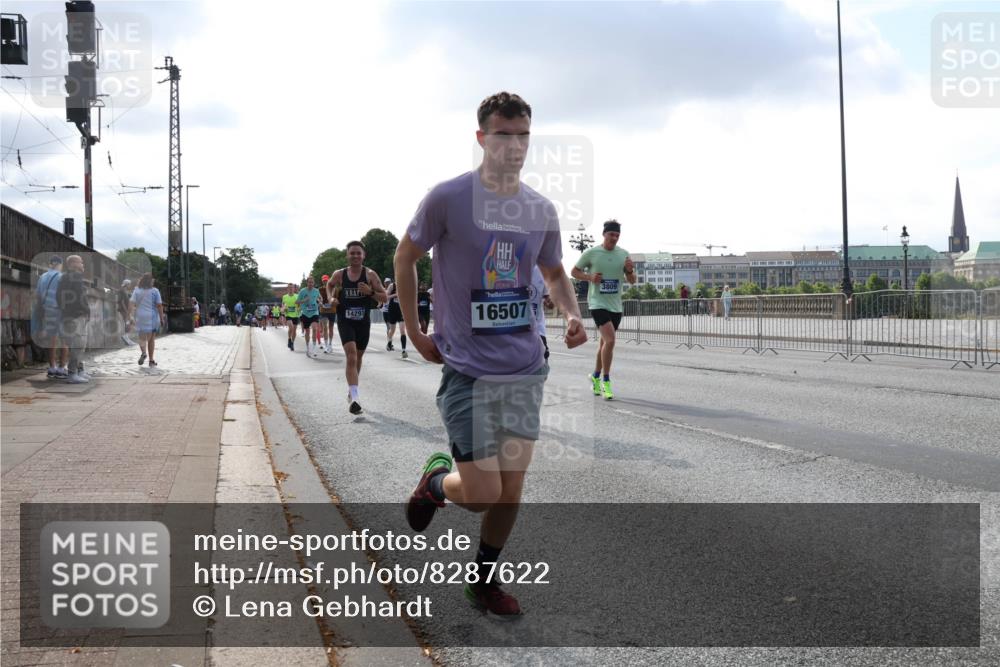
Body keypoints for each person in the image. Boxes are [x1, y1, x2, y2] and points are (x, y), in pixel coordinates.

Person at [395, 91, 586, 616]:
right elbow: (405, 256)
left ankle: (482, 582)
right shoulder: (449, 198)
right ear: (482, 137)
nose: (515, 145)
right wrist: (414, 330)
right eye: (503, 135)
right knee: (480, 491)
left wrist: (571, 314)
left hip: (525, 367)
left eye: (523, 135)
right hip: (468, 370)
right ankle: (435, 483)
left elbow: (552, 272)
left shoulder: (540, 209)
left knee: (510, 491)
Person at [571, 219, 636, 400]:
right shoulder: (592, 253)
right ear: (604, 234)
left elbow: (632, 281)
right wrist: (590, 277)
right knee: (611, 340)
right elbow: (574, 272)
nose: (614, 238)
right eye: (611, 234)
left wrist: (630, 271)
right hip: (597, 303)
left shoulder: (623, 254)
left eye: (617, 235)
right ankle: (606, 380)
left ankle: (595, 376)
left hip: (616, 305)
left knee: (604, 344)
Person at [327, 241, 388, 414]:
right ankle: (355, 398)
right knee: (352, 356)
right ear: (347, 255)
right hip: (345, 319)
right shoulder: (339, 274)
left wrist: (370, 292)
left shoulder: (370, 275)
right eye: (352, 253)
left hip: (363, 322)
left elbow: (384, 298)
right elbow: (330, 285)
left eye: (358, 253)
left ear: (363, 255)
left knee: (358, 358)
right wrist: (331, 298)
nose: (355, 256)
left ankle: (351, 389)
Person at [56, 255, 91, 383]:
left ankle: (80, 370)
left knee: (78, 345)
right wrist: (85, 311)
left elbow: (59, 298)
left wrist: (66, 310)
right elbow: (80, 297)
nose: (83, 265)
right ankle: (72, 373)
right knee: (78, 345)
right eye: (81, 262)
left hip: (69, 315)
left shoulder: (64, 277)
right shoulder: (75, 277)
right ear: (74, 263)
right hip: (76, 316)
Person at [34, 255, 68, 378]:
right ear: (60, 264)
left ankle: (52, 367)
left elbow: (38, 296)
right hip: (59, 310)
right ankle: (62, 367)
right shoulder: (61, 276)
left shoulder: (42, 277)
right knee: (65, 339)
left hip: (46, 310)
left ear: (50, 264)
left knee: (51, 339)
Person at [129, 272, 165, 368]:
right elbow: (159, 305)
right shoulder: (155, 291)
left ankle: (143, 352)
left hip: (140, 317)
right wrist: (161, 318)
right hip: (151, 317)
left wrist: (131, 315)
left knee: (141, 337)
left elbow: (131, 303)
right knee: (151, 339)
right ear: (150, 281)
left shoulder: (136, 290)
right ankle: (151, 360)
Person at [297, 276, 323, 357]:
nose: (311, 284)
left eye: (312, 282)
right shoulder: (302, 291)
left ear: (313, 283)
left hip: (314, 312)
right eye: (309, 282)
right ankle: (308, 347)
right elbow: (297, 302)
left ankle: (314, 349)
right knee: (307, 332)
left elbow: (320, 298)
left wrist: (320, 302)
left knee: (315, 329)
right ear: (307, 283)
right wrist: (304, 300)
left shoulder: (316, 290)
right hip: (305, 313)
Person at [386, 278, 408, 359]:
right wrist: (395, 295)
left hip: (401, 311)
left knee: (403, 330)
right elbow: (386, 297)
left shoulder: (406, 286)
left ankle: (404, 350)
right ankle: (389, 342)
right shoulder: (392, 285)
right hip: (392, 310)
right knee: (392, 330)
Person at [319, 275, 337, 353]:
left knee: (331, 328)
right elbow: (318, 298)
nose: (325, 281)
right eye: (324, 280)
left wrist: (334, 301)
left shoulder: (334, 289)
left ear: (329, 280)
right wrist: (320, 302)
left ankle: (330, 344)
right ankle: (326, 346)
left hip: (332, 310)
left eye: (326, 280)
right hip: (323, 310)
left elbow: (337, 299)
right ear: (322, 281)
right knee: (325, 328)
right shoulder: (319, 289)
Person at [118, 279, 135, 344]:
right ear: (126, 284)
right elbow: (121, 302)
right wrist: (126, 311)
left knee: (130, 322)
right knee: (128, 322)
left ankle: (126, 337)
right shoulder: (122, 290)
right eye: (129, 284)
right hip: (124, 310)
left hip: (126, 310)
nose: (130, 285)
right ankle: (126, 337)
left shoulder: (124, 291)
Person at [382, 278, 396, 351]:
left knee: (391, 328)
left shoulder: (393, 290)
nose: (387, 283)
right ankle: (389, 342)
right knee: (388, 327)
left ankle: (389, 342)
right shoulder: (383, 290)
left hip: (392, 310)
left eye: (389, 282)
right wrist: (379, 304)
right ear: (384, 283)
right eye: (386, 282)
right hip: (385, 311)